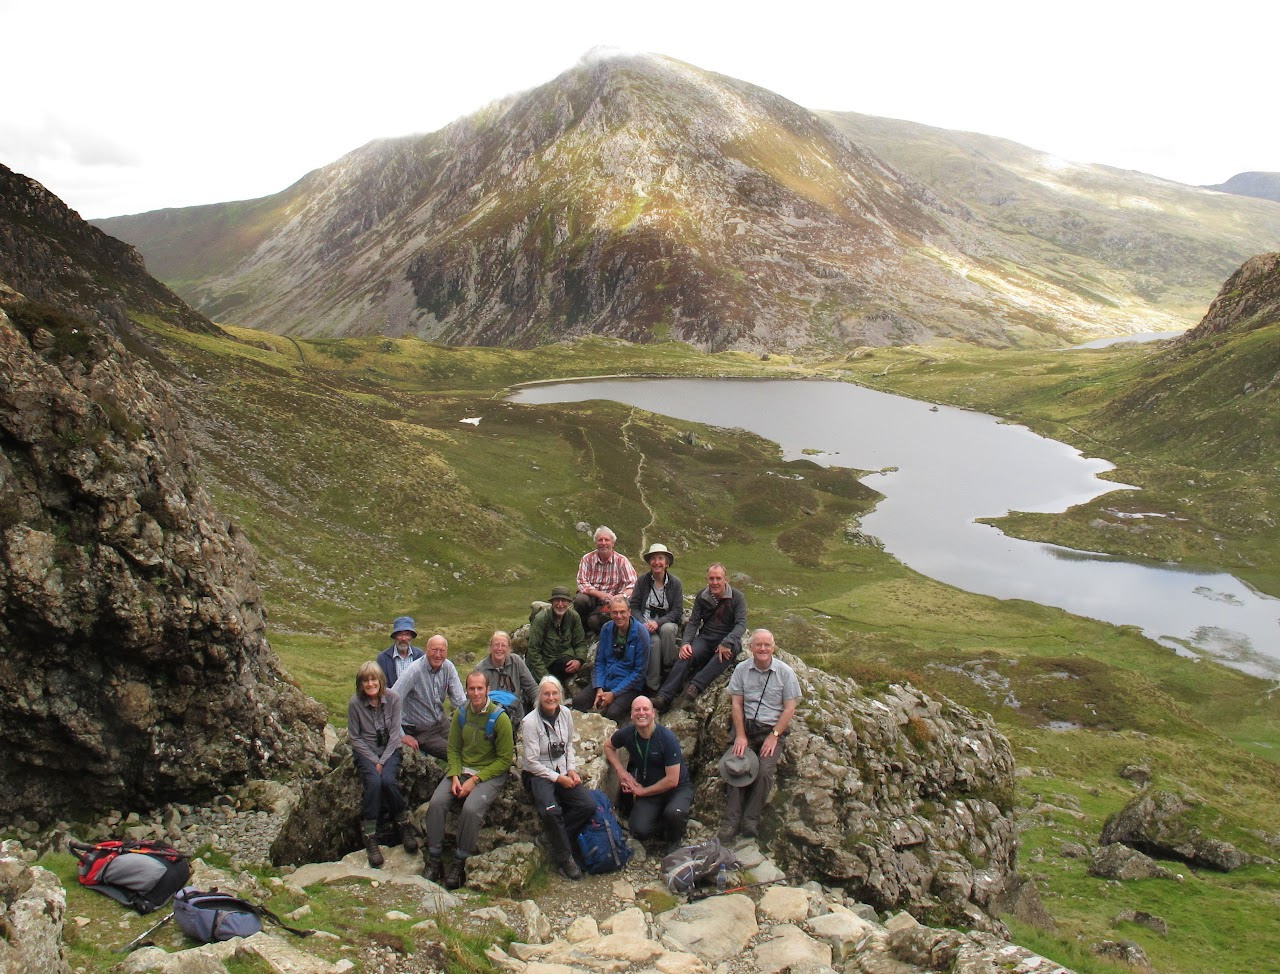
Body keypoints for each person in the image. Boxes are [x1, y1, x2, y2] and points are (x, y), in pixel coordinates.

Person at [423, 671, 514, 890]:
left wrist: (475, 780)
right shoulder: (461, 715)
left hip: (489, 774)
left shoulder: (500, 719)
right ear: (466, 690)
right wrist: (454, 775)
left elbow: (505, 760)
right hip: (461, 770)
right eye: (471, 689)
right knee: (436, 804)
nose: (475, 693)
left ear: (487, 690)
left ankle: (459, 862)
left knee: (471, 810)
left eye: (479, 689)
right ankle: (435, 859)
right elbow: (453, 748)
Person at [719, 629, 801, 844]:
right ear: (751, 647)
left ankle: (750, 820)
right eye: (758, 645)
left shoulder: (785, 673)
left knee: (764, 771)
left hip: (771, 730)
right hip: (745, 728)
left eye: (767, 645)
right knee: (735, 765)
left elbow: (789, 708)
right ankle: (730, 821)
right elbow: (736, 704)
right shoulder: (741, 670)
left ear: (773, 647)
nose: (763, 649)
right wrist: (740, 736)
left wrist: (774, 736)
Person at [521, 676, 596, 880]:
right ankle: (565, 858)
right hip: (538, 773)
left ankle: (551, 838)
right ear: (540, 696)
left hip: (562, 769)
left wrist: (571, 770)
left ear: (560, 695)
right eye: (546, 693)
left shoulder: (565, 714)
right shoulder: (530, 722)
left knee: (587, 806)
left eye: (555, 693)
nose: (551, 697)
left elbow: (569, 745)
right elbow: (530, 762)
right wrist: (557, 779)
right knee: (552, 811)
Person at [653, 564, 747, 711]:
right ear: (707, 579)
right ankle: (664, 696)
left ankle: (696, 685)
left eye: (718, 578)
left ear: (726, 579)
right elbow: (694, 622)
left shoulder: (737, 597)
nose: (714, 582)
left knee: (724, 655)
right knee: (686, 655)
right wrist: (686, 643)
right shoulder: (702, 596)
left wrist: (727, 642)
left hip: (727, 638)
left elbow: (741, 624)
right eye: (711, 579)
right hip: (706, 637)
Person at [604, 695, 693, 851]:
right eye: (637, 710)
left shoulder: (667, 738)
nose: (641, 713)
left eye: (645, 709)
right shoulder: (628, 733)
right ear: (631, 715)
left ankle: (674, 837)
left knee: (675, 813)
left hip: (677, 788)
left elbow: (672, 780)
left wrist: (643, 792)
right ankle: (663, 821)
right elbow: (608, 746)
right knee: (638, 830)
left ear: (653, 713)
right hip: (651, 788)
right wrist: (621, 772)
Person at [348, 661, 409, 867]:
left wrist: (383, 761)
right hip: (367, 753)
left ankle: (403, 823)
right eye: (366, 680)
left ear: (380, 681)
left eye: (374, 679)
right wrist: (374, 760)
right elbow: (354, 737)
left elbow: (395, 733)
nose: (370, 683)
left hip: (390, 751)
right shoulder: (355, 703)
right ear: (360, 684)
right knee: (373, 783)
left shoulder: (393, 699)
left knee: (389, 781)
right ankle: (370, 835)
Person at [571, 597, 649, 722]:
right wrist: (599, 688)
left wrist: (614, 693)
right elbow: (600, 661)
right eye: (615, 612)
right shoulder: (606, 629)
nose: (619, 616)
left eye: (622, 612)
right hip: (606, 679)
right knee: (578, 702)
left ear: (629, 612)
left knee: (612, 713)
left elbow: (639, 672)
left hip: (628, 685)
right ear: (610, 613)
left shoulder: (641, 633)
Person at [396, 634, 465, 759]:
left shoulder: (448, 667)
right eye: (434, 650)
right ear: (426, 650)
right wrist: (401, 735)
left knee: (468, 746)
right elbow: (392, 700)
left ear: (446, 652)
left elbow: (460, 701)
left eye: (442, 651)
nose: (438, 655)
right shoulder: (414, 671)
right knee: (455, 755)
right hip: (420, 730)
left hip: (441, 723)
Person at [629, 543, 683, 695]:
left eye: (660, 558)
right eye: (653, 558)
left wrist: (658, 623)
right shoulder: (642, 581)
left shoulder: (675, 583)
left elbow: (677, 611)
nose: (656, 562)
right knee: (653, 641)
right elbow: (633, 607)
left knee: (667, 630)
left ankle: (669, 671)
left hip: (665, 623)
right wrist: (644, 624)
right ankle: (652, 686)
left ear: (666, 563)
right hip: (645, 624)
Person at [574, 526, 637, 635]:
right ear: (596, 543)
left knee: (595, 621)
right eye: (600, 540)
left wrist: (621, 596)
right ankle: (581, 629)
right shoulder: (587, 559)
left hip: (611, 601)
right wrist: (599, 594)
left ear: (613, 543)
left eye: (607, 540)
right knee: (580, 600)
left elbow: (633, 584)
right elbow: (581, 582)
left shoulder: (622, 561)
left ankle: (595, 628)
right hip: (592, 598)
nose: (603, 543)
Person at [526, 585, 590, 683]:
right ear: (552, 602)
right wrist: (545, 677)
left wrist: (579, 660)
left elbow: (580, 643)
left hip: (563, 659)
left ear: (569, 602)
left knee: (569, 667)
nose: (560, 604)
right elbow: (533, 651)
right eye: (557, 600)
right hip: (544, 662)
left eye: (564, 601)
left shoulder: (574, 617)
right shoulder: (541, 619)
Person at [474, 630, 538, 723]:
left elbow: (532, 687)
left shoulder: (516, 661)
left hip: (516, 717)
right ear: (491, 647)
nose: (500, 648)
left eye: (503, 645)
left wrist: (540, 706)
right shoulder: (480, 669)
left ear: (509, 649)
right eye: (496, 645)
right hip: (489, 719)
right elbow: (474, 696)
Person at [376, 616, 424, 688]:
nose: (403, 639)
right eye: (400, 634)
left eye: (407, 634)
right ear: (395, 636)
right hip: (392, 698)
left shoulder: (420, 656)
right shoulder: (383, 658)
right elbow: (382, 685)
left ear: (411, 637)